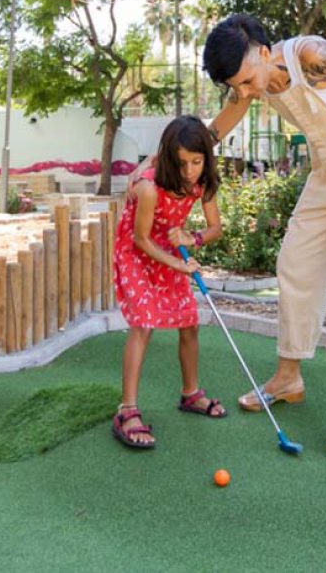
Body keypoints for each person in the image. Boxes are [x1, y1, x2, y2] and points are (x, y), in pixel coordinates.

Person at [201, 14, 326, 458]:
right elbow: (222, 122)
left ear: (263, 51)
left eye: (247, 81)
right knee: (294, 268)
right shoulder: (250, 83)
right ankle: (288, 378)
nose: (246, 93)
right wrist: (177, 154)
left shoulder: (310, 55)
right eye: (236, 86)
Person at [111, 115, 225, 449]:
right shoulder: (148, 187)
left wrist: (193, 238)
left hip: (172, 250)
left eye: (196, 161)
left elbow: (215, 228)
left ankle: (190, 394)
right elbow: (142, 239)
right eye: (181, 163)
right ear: (167, 158)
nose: (189, 171)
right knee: (143, 321)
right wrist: (179, 263)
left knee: (189, 321)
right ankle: (127, 411)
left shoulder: (202, 184)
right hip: (137, 251)